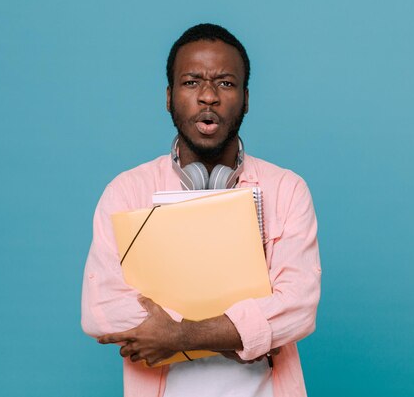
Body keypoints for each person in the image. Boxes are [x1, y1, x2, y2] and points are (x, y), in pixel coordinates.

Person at [81, 23, 322, 397]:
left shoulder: (288, 190)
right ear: (169, 96)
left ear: (245, 99)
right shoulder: (126, 192)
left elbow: (298, 308)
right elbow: (102, 311)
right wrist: (250, 333)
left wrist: (177, 335)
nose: (208, 96)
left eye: (225, 83)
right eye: (191, 82)